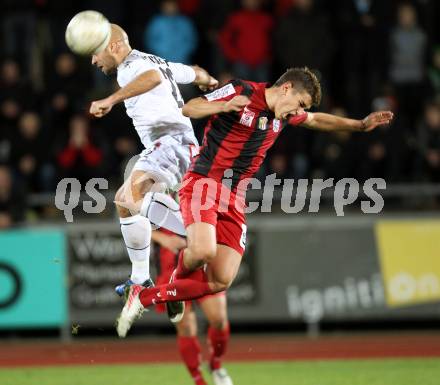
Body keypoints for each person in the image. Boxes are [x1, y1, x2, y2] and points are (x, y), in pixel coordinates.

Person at [116, 67, 394, 337]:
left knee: (220, 279)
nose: (299, 112)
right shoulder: (242, 91)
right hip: (203, 182)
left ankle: (150, 294)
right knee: (203, 252)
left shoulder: (285, 115)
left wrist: (359, 125)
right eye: (299, 104)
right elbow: (190, 108)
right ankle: (169, 280)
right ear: (286, 88)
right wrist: (223, 107)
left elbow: (316, 120)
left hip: (234, 198)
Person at [88, 23, 218, 297]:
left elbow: (152, 78)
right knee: (127, 204)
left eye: (96, 53)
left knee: (127, 199)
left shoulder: (132, 67)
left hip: (170, 143)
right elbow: (194, 71)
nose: (93, 60)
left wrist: (111, 99)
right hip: (178, 147)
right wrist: (206, 79)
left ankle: (202, 232)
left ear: (113, 47)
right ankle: (141, 277)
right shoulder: (158, 61)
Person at [152, 229, 233, 385]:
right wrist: (162, 238)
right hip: (170, 264)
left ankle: (216, 365)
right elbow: (130, 221)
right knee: (186, 327)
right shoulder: (146, 203)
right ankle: (199, 380)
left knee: (219, 319)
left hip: (202, 260)